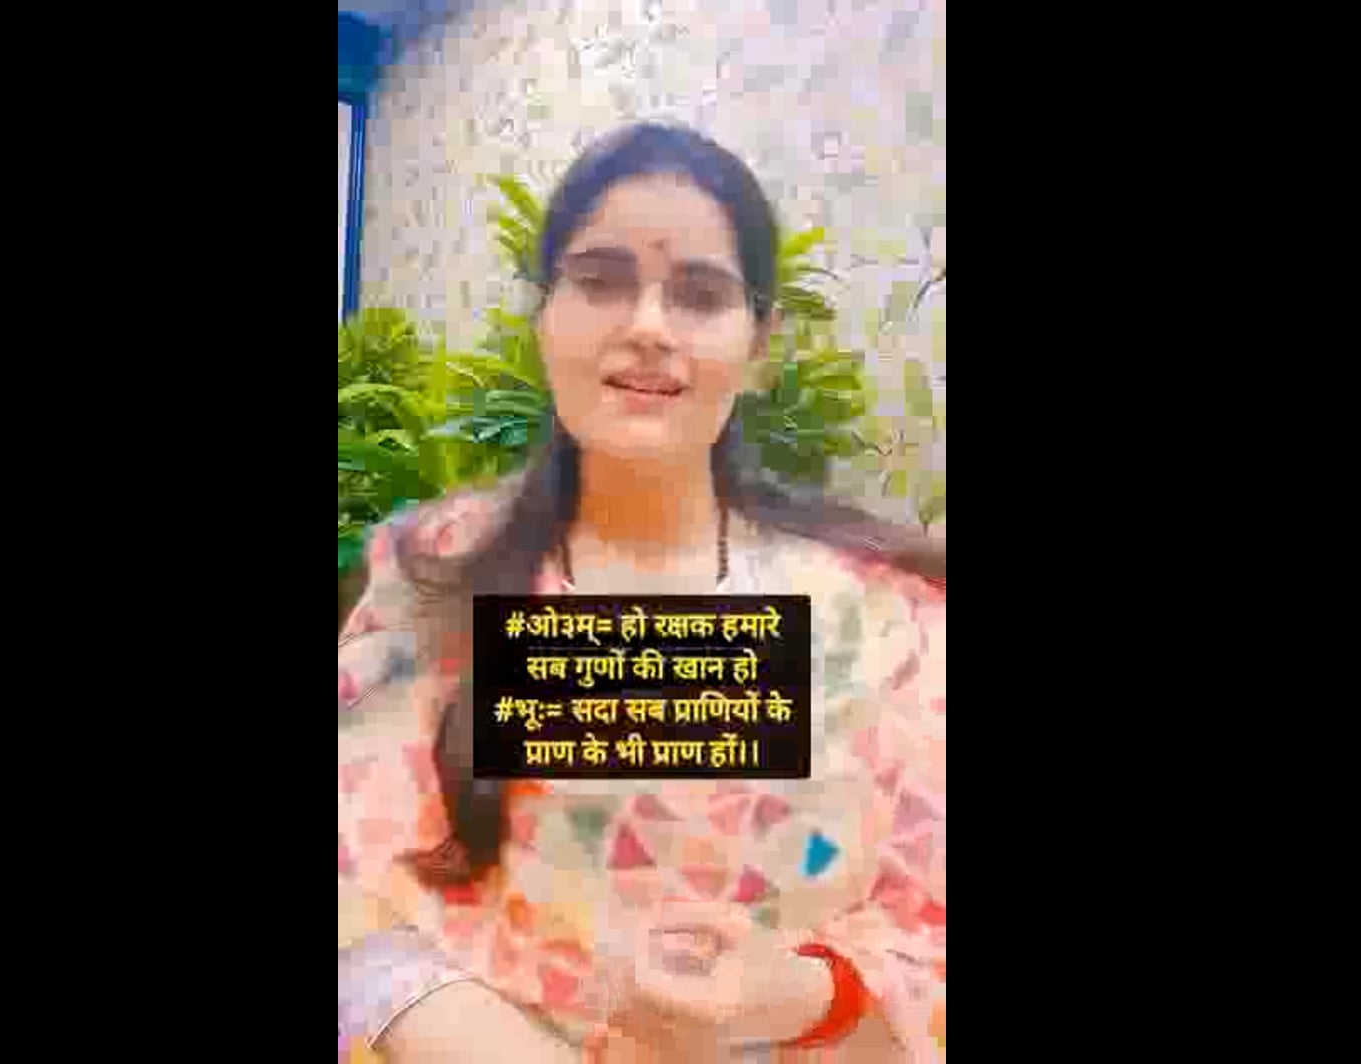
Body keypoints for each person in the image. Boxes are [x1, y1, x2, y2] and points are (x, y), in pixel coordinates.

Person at [338, 122, 946, 1062]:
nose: (649, 326)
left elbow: (926, 928)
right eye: (600, 280)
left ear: (760, 344)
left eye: (700, 294)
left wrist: (798, 996)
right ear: (544, 316)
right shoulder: (437, 570)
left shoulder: (882, 618)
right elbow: (353, 883)